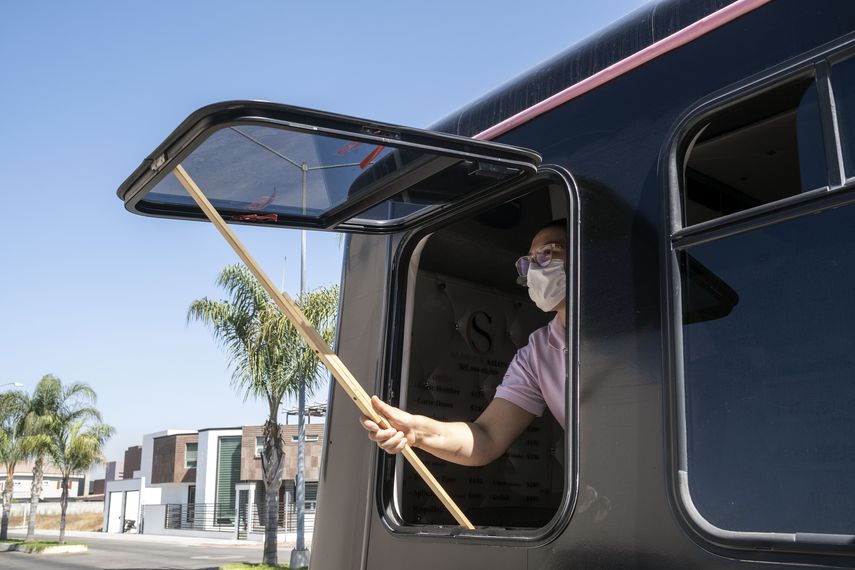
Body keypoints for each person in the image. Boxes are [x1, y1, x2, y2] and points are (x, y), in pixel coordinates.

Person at [360, 219, 568, 466]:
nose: (534, 270)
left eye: (546, 254)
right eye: (528, 263)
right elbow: (487, 436)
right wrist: (416, 431)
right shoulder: (537, 354)